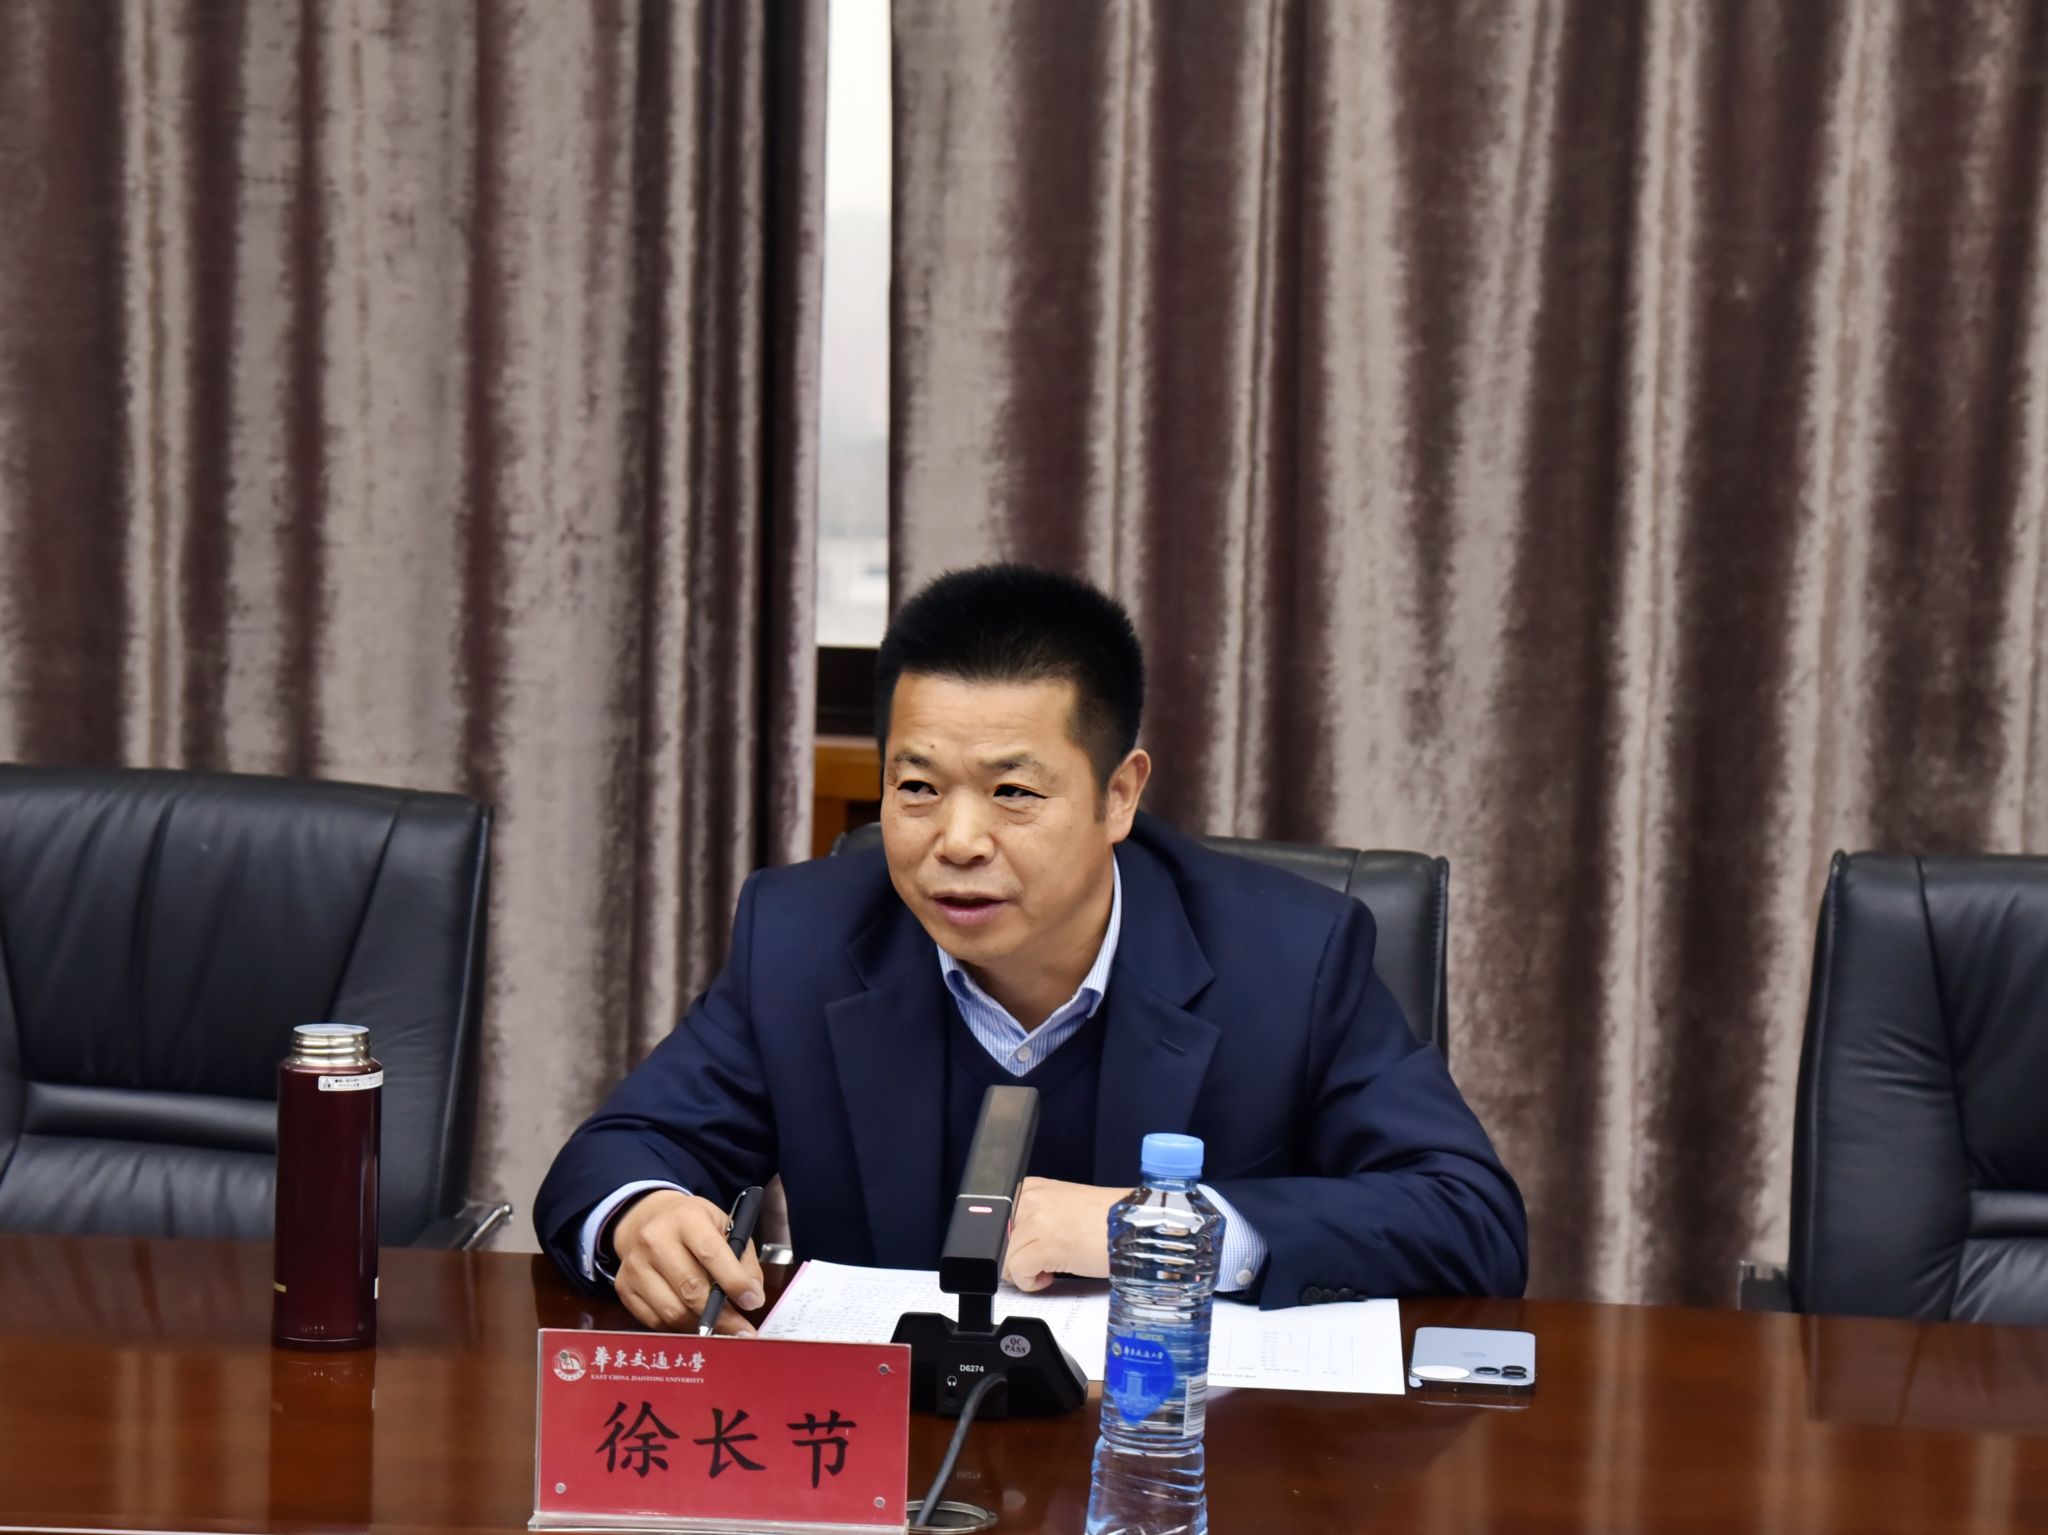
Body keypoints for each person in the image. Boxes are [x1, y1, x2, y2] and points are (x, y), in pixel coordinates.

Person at [535, 564, 1527, 1333]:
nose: (957, 839)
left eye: (1013, 791)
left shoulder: (1290, 955)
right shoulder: (803, 936)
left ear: (1118, 794)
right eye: (917, 787)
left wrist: (1155, 1231)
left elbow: (1467, 1217)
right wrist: (640, 1214)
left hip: (1168, 1454)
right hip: (898, 1457)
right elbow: (618, 1154)